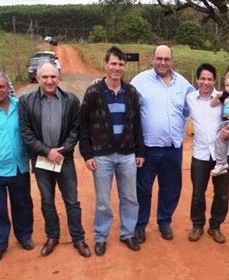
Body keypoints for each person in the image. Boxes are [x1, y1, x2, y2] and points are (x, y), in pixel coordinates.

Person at [19, 61, 91, 258]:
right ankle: (52, 236)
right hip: (41, 161)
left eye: (53, 77)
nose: (49, 81)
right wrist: (46, 151)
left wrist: (62, 150)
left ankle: (78, 238)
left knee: (72, 201)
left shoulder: (71, 100)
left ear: (59, 78)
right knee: (47, 201)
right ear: (37, 78)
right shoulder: (26, 102)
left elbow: (76, 129)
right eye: (45, 77)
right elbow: (26, 133)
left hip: (64, 159)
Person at [79, 46, 144, 256]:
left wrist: (140, 151)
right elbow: (83, 125)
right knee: (103, 201)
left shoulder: (131, 92)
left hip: (127, 154)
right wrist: (87, 154)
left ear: (124, 66)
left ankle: (127, 233)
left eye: (121, 64)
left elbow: (137, 124)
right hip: (102, 155)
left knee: (130, 197)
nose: (117, 68)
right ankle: (101, 236)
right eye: (113, 63)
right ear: (105, 64)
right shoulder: (93, 92)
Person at [130, 45, 195, 242]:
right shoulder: (139, 81)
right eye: (159, 58)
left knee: (170, 187)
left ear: (172, 61)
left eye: (166, 59)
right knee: (142, 188)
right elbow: (128, 109)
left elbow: (193, 107)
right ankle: (140, 224)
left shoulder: (184, 84)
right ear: (152, 59)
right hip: (147, 148)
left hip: (173, 148)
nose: (163, 62)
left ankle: (164, 221)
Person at [186, 63, 229, 244]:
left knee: (222, 193)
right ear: (197, 79)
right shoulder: (190, 98)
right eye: (203, 78)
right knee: (198, 193)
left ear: (215, 80)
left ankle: (215, 227)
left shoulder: (226, 98)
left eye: (210, 79)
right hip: (200, 155)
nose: (206, 82)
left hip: (222, 154)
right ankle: (197, 225)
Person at [0, 70, 34, 264]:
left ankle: (24, 236)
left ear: (8, 87)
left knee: (23, 204)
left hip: (19, 167)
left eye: (1, 86)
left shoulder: (19, 106)